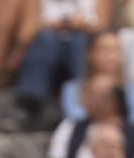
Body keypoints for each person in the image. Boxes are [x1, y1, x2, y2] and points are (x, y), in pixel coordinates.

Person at [14, 0, 111, 128]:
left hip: (82, 52)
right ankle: (30, 103)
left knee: (78, 41)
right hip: (46, 55)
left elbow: (104, 31)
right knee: (48, 39)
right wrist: (48, 25)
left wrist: (84, 25)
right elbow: (24, 36)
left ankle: (78, 105)